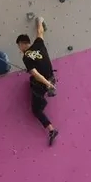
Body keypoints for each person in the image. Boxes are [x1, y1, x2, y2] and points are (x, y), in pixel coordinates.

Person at [16, 17, 59, 146]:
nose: (19, 49)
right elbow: (40, 31)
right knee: (31, 80)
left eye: (19, 46)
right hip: (51, 77)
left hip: (43, 83)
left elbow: (35, 74)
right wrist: (40, 20)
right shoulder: (38, 43)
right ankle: (43, 96)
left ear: (22, 44)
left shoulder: (26, 57)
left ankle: (51, 130)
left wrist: (47, 84)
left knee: (36, 111)